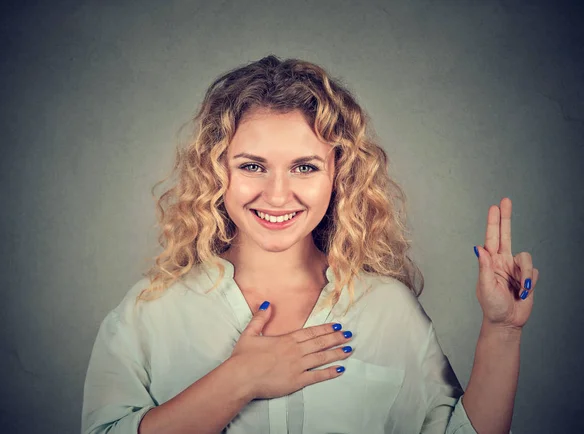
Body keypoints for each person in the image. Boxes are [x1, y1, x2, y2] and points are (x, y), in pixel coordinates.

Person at [81, 55, 539, 434]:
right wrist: (238, 380)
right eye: (252, 166)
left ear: (338, 174)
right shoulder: (150, 311)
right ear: (215, 170)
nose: (278, 195)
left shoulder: (388, 309)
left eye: (305, 167)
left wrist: (503, 333)